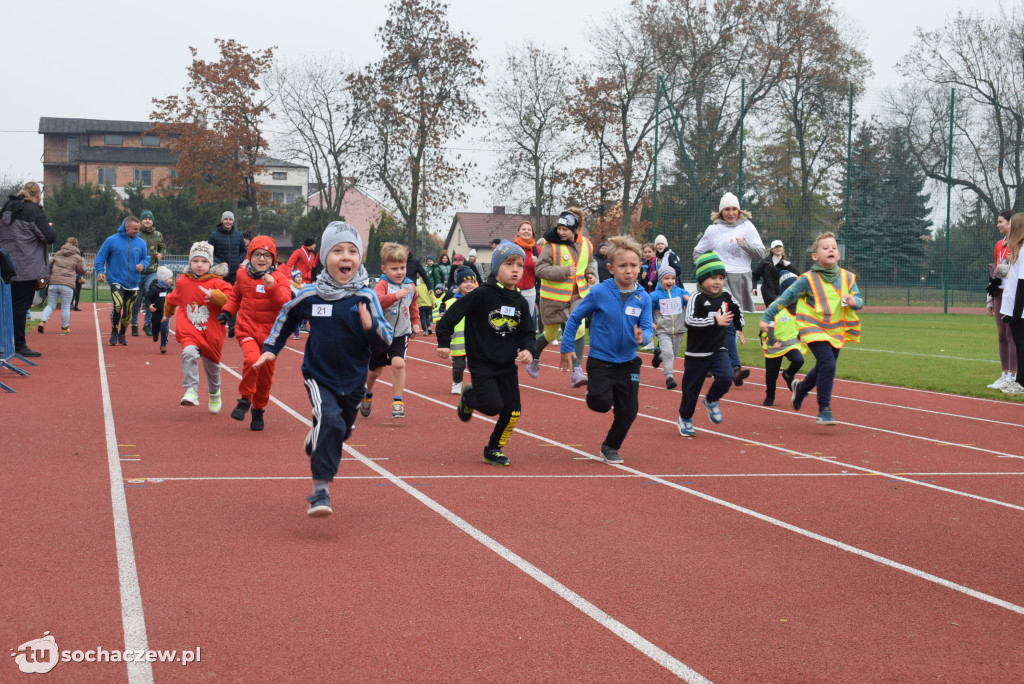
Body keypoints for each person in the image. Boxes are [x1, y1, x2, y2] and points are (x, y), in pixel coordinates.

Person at [254, 221, 392, 517]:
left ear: (359, 259)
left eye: (352, 251)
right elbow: (286, 317)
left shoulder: (366, 297)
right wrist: (270, 349)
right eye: (337, 250)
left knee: (340, 428)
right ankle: (320, 491)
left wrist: (370, 328)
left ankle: (319, 433)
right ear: (324, 258)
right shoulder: (310, 295)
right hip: (320, 375)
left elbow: (385, 340)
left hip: (354, 380)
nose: (345, 257)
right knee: (330, 420)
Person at [436, 241, 535, 467]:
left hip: (507, 365)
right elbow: (452, 315)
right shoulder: (482, 294)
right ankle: (469, 398)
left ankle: (493, 449)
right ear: (496, 267)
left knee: (513, 412)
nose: (515, 269)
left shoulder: (520, 301)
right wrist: (444, 341)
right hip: (482, 362)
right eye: (509, 264)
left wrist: (528, 349)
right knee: (491, 406)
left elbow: (527, 332)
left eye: (520, 265)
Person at [559, 236, 653, 464]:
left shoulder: (644, 297)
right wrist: (566, 346)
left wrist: (644, 336)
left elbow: (649, 327)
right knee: (600, 403)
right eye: (622, 266)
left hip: (629, 361)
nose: (628, 271)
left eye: (633, 265)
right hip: (601, 360)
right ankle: (594, 391)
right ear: (611, 268)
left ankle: (611, 446)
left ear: (640, 267)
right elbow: (575, 318)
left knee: (629, 410)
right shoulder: (599, 292)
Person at [760, 232, 863, 424]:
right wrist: (767, 316)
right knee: (829, 365)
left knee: (825, 365)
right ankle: (824, 409)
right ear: (815, 256)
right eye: (825, 248)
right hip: (813, 328)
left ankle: (801, 388)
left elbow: (860, 300)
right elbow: (785, 298)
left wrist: (854, 301)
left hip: (836, 329)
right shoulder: (807, 279)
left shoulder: (848, 278)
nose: (831, 250)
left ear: (838, 255)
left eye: (834, 247)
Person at [218, 236, 292, 431]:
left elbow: (285, 303)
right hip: (247, 328)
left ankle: (258, 410)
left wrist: (272, 287)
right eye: (257, 254)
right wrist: (226, 312)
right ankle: (244, 400)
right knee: (252, 360)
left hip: (271, 336)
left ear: (273, 259)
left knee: (265, 377)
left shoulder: (280, 278)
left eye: (267, 256)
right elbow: (235, 296)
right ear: (250, 256)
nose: (262, 259)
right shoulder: (242, 275)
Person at [693, 192, 766, 387]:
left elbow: (761, 254)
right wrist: (708, 272)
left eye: (734, 209)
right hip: (721, 279)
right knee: (729, 324)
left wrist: (746, 245)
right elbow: (698, 252)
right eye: (727, 209)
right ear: (721, 211)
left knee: (723, 324)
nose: (731, 213)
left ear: (739, 210)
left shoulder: (747, 226)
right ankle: (735, 367)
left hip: (741, 278)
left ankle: (713, 363)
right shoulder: (712, 230)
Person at [676, 251, 745, 437]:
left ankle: (712, 400)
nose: (718, 282)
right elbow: (689, 321)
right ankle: (685, 418)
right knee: (691, 390)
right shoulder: (696, 297)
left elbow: (737, 310)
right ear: (702, 278)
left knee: (726, 376)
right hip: (697, 354)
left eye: (721, 278)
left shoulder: (726, 296)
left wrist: (739, 327)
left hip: (718, 349)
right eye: (713, 277)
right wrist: (714, 321)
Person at [526, 208, 597, 388]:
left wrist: (590, 274)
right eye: (559, 228)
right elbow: (540, 270)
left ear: (575, 229)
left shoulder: (587, 245)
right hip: (553, 299)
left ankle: (577, 371)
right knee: (550, 334)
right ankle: (534, 357)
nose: (561, 232)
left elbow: (588, 262)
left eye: (565, 229)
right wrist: (564, 271)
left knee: (579, 328)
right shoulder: (551, 246)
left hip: (578, 296)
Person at [164, 241, 233, 411]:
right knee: (188, 353)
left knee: (213, 369)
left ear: (210, 263)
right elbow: (172, 299)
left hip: (212, 332)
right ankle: (191, 390)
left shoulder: (219, 283)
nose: (199, 265)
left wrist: (215, 296)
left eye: (204, 261)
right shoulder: (183, 282)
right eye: (195, 261)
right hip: (190, 329)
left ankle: (214, 392)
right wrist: (167, 313)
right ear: (190, 262)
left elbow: (231, 300)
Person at [361, 242, 421, 419]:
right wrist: (395, 296)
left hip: (401, 334)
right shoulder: (382, 285)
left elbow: (413, 306)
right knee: (374, 371)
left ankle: (397, 401)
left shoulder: (411, 286)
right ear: (384, 269)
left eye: (402, 267)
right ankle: (368, 393)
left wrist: (415, 322)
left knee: (399, 363)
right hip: (381, 334)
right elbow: (377, 302)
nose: (399, 272)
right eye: (394, 268)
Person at [0, 182, 56, 357]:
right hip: (26, 265)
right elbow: (49, 236)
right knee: (21, 306)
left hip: (6, 264)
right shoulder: (32, 210)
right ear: (38, 195)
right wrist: (49, 225)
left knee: (6, 306)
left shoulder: (6, 209)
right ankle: (19, 344)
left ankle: (6, 343)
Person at [95, 216, 150, 347]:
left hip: (134, 282)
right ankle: (114, 331)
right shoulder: (111, 240)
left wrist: (143, 265)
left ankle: (122, 333)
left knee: (129, 310)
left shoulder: (141, 243)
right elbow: (100, 258)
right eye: (135, 229)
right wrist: (100, 272)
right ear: (127, 227)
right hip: (116, 280)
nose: (138, 231)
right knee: (118, 305)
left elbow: (145, 258)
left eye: (139, 229)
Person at [758, 270, 805, 406]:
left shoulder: (801, 307)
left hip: (791, 343)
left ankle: (788, 374)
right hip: (774, 345)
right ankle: (770, 396)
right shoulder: (776, 307)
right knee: (771, 376)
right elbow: (769, 327)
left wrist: (801, 335)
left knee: (798, 360)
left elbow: (802, 323)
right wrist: (773, 341)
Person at [987, 209, 1017, 389]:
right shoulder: (999, 244)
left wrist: (1003, 269)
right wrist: (990, 298)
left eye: (1001, 222)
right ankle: (1004, 373)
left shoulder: (1018, 244)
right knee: (1001, 334)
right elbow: (994, 272)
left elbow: (1014, 270)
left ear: (1010, 223)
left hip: (1011, 294)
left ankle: (1013, 376)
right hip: (999, 293)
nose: (998, 225)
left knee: (1010, 333)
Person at [649, 264, 690, 390]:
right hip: (663, 330)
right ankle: (669, 377)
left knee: (672, 354)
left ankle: (659, 356)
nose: (670, 281)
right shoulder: (655, 295)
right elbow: (647, 310)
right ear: (660, 279)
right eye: (667, 278)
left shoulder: (681, 292)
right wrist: (651, 323)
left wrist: (689, 300)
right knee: (669, 353)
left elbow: (693, 304)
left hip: (678, 330)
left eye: (672, 278)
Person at [440, 266, 478, 394]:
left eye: (472, 282)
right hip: (457, 342)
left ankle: (479, 385)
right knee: (459, 366)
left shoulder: (480, 300)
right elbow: (445, 324)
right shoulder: (451, 302)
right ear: (459, 284)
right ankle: (457, 382)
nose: (469, 284)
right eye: (465, 281)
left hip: (475, 341)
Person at [36, 236, 85, 335]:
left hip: (54, 283)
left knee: (51, 305)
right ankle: (64, 327)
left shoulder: (58, 253)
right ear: (76, 245)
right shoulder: (77, 257)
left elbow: (49, 265)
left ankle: (42, 321)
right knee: (66, 307)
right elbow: (82, 270)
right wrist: (82, 261)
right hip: (67, 284)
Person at [998, 213, 1024, 394]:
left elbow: (1022, 282)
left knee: (1021, 344)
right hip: (1013, 305)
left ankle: (1020, 381)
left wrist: (1016, 311)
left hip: (1020, 309)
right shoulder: (1017, 249)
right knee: (1019, 342)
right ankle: (1019, 381)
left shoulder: (1023, 250)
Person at [131, 209, 165, 337]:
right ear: (141, 220)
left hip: (152, 271)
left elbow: (163, 248)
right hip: (137, 271)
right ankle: (134, 324)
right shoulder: (136, 234)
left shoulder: (157, 234)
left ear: (152, 221)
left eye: (150, 219)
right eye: (145, 218)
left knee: (151, 296)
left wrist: (162, 254)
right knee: (136, 299)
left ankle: (147, 324)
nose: (147, 221)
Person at [208, 211, 246, 286]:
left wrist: (238, 260)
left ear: (233, 221)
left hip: (234, 273)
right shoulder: (214, 235)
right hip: (219, 272)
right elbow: (210, 253)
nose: (228, 221)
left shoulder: (239, 235)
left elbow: (243, 251)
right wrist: (220, 263)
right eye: (226, 219)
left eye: (230, 219)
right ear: (222, 220)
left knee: (233, 295)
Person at [751, 239, 794, 307]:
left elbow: (797, 274)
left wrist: (789, 265)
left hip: (783, 292)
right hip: (768, 292)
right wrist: (754, 287)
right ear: (772, 249)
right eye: (776, 247)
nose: (778, 249)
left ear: (783, 248)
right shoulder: (765, 262)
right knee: (772, 311)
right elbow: (755, 274)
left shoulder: (787, 262)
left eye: (780, 247)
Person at [513, 220, 541, 322]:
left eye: (529, 230)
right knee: (512, 320)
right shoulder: (512, 248)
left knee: (526, 321)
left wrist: (538, 263)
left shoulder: (537, 250)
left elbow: (543, 271)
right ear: (518, 232)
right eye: (523, 229)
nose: (526, 231)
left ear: (532, 233)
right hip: (512, 290)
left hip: (529, 292)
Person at [145, 266, 175, 353]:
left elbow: (175, 298)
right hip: (156, 313)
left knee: (164, 329)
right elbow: (148, 298)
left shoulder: (170, 289)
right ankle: (155, 334)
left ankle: (163, 345)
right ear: (164, 279)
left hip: (166, 313)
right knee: (155, 327)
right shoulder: (154, 288)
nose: (171, 280)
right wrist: (149, 305)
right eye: (170, 278)